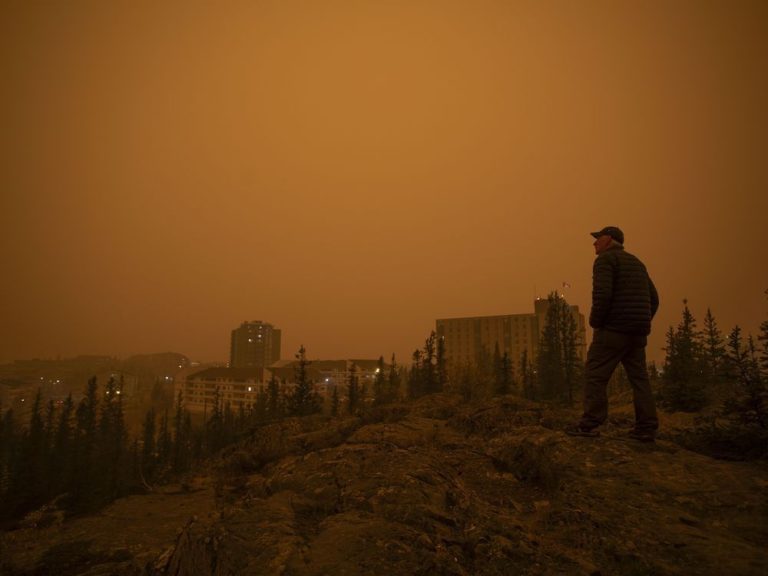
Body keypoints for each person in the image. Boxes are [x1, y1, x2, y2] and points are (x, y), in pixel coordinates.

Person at [566, 226, 660, 442]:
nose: (594, 243)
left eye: (598, 239)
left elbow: (602, 295)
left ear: (609, 239)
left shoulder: (605, 261)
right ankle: (647, 428)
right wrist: (641, 321)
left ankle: (590, 424)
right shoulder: (637, 263)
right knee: (640, 380)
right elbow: (654, 299)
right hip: (636, 335)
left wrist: (596, 323)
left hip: (612, 332)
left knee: (595, 375)